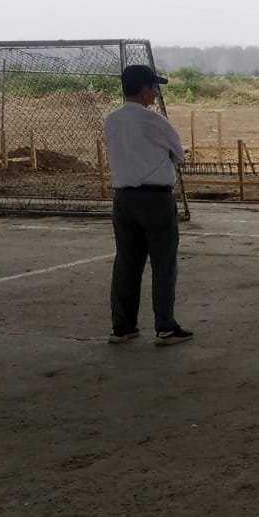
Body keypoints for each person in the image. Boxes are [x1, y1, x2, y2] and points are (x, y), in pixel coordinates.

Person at [104, 65, 193, 346]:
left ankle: (122, 326)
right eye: (154, 87)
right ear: (144, 88)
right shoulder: (155, 121)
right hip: (155, 199)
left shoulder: (112, 120)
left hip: (123, 199)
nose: (156, 92)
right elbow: (178, 155)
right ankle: (165, 325)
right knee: (163, 264)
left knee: (126, 262)